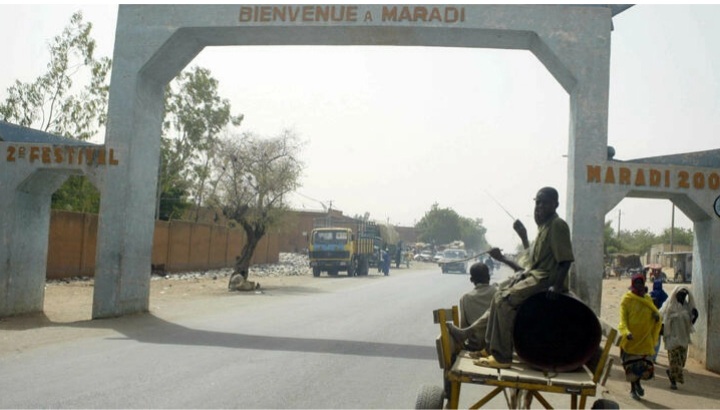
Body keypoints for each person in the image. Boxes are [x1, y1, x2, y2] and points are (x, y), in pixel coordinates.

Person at [447, 187, 574, 369]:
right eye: (537, 202)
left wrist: (557, 286)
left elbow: (566, 260)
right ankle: (489, 349)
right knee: (498, 296)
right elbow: (533, 259)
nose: (539, 207)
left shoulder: (557, 225)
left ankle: (502, 357)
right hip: (537, 275)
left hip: (546, 278)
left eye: (544, 203)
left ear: (555, 204)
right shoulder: (544, 227)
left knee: (504, 301)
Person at [617, 273, 662, 401]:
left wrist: (656, 318)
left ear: (644, 284)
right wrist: (626, 332)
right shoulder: (627, 300)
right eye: (636, 283)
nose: (638, 285)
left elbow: (656, 315)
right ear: (632, 284)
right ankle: (633, 389)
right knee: (632, 367)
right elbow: (622, 320)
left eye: (640, 283)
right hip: (631, 341)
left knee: (643, 367)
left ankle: (638, 384)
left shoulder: (647, 299)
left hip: (645, 340)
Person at [661, 286, 699, 390]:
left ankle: (670, 372)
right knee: (674, 361)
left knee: (681, 362)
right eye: (680, 294)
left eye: (684, 295)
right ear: (676, 295)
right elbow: (662, 318)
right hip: (672, 338)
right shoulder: (669, 306)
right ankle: (673, 382)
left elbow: (691, 323)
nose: (682, 296)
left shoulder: (688, 308)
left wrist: (695, 316)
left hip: (683, 338)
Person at [458, 263, 497, 351]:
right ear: (489, 277)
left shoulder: (465, 298)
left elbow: (463, 326)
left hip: (475, 346)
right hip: (495, 346)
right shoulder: (498, 293)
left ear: (471, 279)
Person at [649, 279, 668, 362]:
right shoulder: (665, 296)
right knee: (658, 338)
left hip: (650, 319)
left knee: (650, 337)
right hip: (660, 320)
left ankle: (649, 355)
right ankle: (654, 357)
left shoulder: (650, 294)